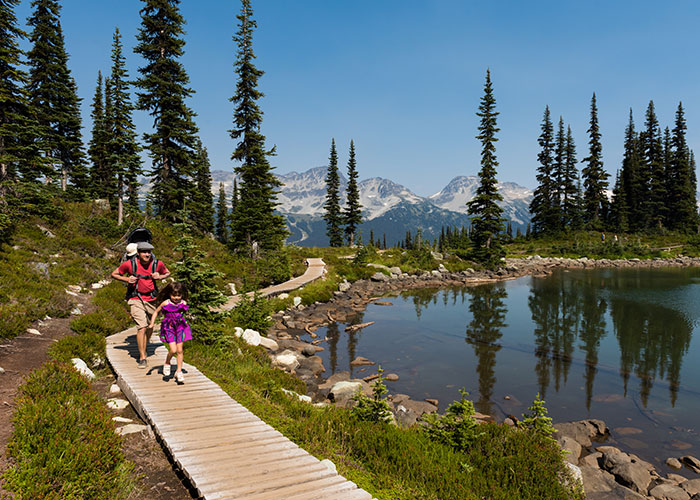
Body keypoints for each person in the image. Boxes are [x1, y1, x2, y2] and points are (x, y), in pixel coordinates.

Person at [111, 241, 170, 368]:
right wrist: (127, 279)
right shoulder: (130, 264)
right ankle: (142, 357)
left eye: (149, 252)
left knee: (150, 326)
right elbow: (114, 274)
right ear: (138, 253)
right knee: (141, 327)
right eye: (144, 252)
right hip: (135, 297)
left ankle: (145, 343)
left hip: (152, 299)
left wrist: (160, 276)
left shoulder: (157, 264)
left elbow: (167, 273)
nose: (147, 254)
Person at [148, 282, 191, 383]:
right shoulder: (166, 303)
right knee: (173, 350)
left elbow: (182, 313)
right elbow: (156, 312)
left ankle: (179, 371)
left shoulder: (183, 303)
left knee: (180, 350)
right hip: (169, 328)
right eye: (174, 295)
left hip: (180, 327)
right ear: (169, 294)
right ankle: (167, 363)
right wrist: (152, 323)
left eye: (178, 295)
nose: (176, 297)